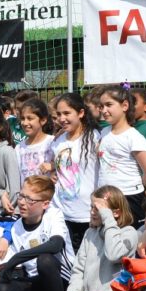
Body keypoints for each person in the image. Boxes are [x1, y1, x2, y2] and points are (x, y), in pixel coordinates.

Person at [42, 185, 138, 291]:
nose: (93, 212)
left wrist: (108, 219)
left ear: (115, 213)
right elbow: (78, 270)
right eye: (92, 207)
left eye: (99, 208)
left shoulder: (129, 233)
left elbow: (114, 253)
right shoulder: (89, 233)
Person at [0, 176, 74, 291]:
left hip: (61, 281)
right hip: (35, 283)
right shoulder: (17, 227)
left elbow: (55, 245)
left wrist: (17, 257)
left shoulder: (54, 215)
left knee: (45, 260)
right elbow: (11, 271)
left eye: (30, 199)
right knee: (3, 287)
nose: (22, 202)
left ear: (45, 204)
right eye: (21, 196)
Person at [46, 93, 100, 253]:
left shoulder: (94, 137)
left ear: (81, 113)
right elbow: (57, 167)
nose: (62, 119)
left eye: (67, 113)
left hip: (85, 212)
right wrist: (52, 174)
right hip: (61, 211)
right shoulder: (58, 141)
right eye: (59, 114)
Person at [98, 86, 146, 223]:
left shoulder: (133, 137)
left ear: (124, 106)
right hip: (105, 197)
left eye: (109, 105)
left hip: (128, 198)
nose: (104, 110)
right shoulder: (103, 132)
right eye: (101, 106)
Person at [15, 98, 54, 180]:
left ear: (43, 120)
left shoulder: (52, 142)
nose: (25, 123)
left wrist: (53, 166)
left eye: (30, 118)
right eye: (22, 118)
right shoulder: (19, 148)